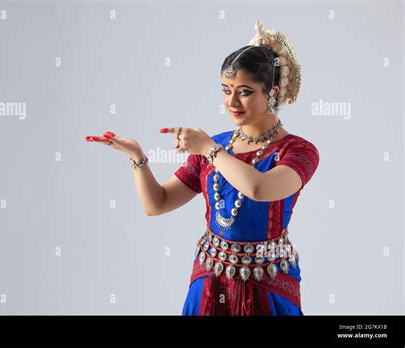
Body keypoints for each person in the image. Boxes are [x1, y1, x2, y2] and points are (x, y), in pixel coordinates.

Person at [85, 20, 319, 315]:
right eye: (226, 89)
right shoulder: (217, 146)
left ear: (271, 92)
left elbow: (260, 188)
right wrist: (138, 158)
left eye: (244, 91)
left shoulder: (297, 151)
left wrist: (209, 149)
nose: (231, 101)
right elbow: (156, 203)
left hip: (267, 281)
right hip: (210, 278)